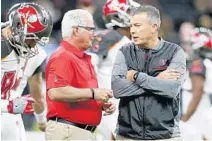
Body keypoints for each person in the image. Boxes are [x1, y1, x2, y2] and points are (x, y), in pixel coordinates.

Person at [111, 4, 186, 140]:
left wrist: (136, 76)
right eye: (131, 25)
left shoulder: (175, 52)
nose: (132, 30)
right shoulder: (124, 51)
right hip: (127, 135)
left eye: (137, 25)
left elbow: (171, 90)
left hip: (164, 135)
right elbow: (117, 89)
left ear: (154, 27)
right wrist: (157, 79)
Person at [45, 9, 116, 140]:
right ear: (76, 30)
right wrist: (94, 93)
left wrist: (99, 104)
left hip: (79, 132)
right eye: (90, 29)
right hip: (68, 131)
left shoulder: (81, 58)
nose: (94, 35)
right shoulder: (62, 56)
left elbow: (80, 94)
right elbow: (55, 92)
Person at [1, 2, 53, 140]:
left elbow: (37, 98)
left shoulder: (37, 54)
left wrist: (42, 121)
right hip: (8, 112)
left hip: (10, 117)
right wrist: (7, 105)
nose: (35, 44)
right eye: (32, 37)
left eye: (39, 37)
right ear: (17, 27)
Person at [89, 0, 140, 140]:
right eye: (130, 12)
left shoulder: (134, 42)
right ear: (118, 15)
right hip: (110, 104)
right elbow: (89, 66)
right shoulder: (110, 36)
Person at [180, 27, 212, 140]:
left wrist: (185, 118)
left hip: (196, 110)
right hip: (204, 106)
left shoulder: (197, 62)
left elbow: (198, 91)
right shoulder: (206, 62)